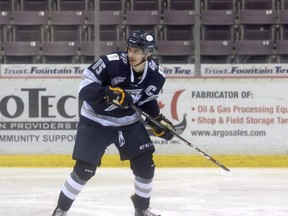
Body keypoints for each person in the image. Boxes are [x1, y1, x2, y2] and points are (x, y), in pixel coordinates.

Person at [51, 30, 175, 216]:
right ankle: (60, 210)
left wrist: (156, 120)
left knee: (145, 166)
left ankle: (142, 210)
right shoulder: (112, 62)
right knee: (84, 170)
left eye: (137, 51)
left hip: (128, 123)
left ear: (148, 53)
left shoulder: (157, 76)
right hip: (95, 121)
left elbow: (146, 101)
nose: (131, 54)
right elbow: (84, 89)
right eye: (130, 49)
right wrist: (109, 93)